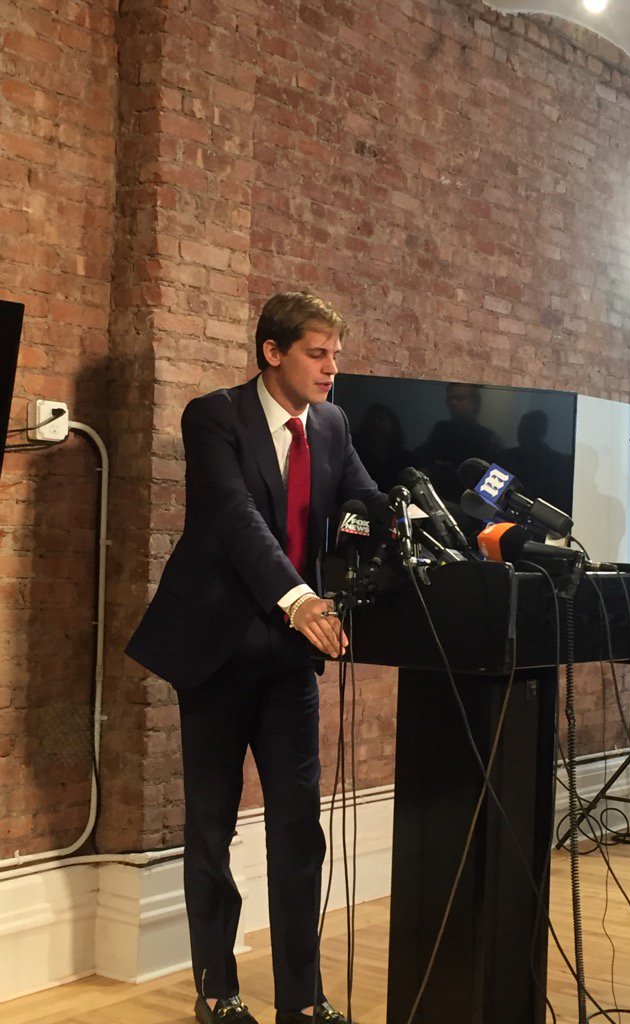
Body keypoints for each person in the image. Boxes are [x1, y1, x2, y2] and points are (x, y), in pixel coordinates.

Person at [126, 292, 379, 1024]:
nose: (331, 369)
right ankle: (217, 989)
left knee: (298, 825)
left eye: (335, 355)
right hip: (218, 646)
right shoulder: (214, 417)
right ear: (272, 352)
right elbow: (236, 519)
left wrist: (409, 527)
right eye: (317, 354)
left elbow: (365, 503)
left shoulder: (331, 424)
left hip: (290, 655)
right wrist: (299, 600)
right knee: (212, 824)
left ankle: (303, 1000)